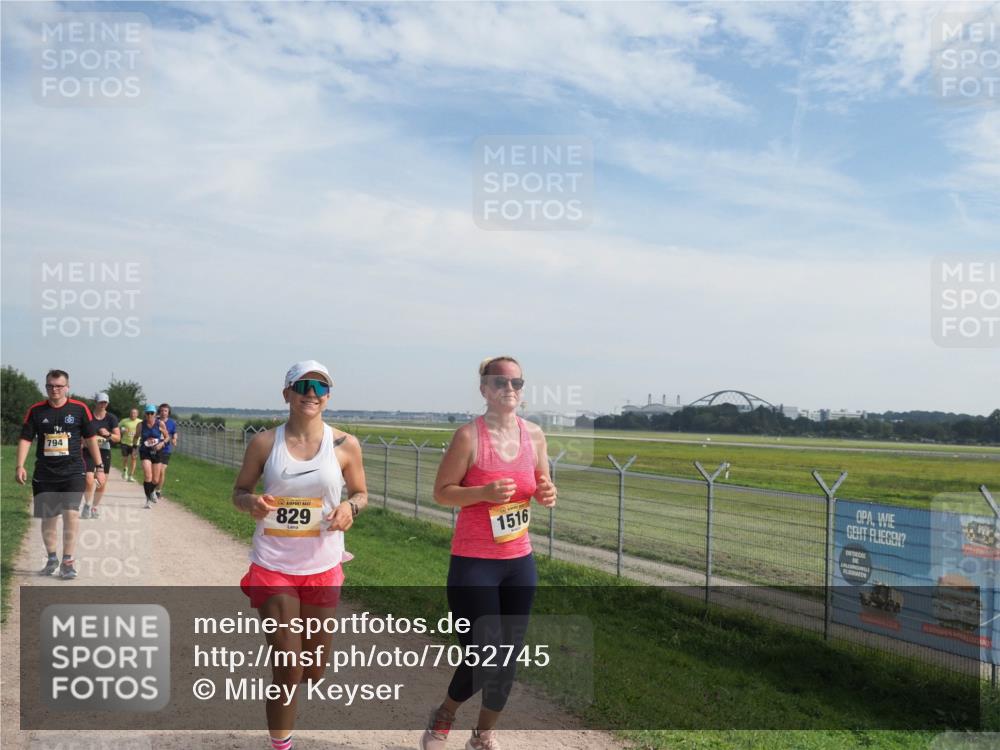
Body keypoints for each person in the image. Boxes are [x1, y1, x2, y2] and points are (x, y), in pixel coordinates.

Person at [421, 356, 557, 750]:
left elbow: (542, 483)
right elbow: (442, 492)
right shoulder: (469, 437)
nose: (509, 389)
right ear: (484, 389)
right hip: (474, 564)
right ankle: (445, 714)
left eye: (516, 383)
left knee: (508, 657)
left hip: (519, 563)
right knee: (484, 655)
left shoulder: (535, 436)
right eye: (499, 382)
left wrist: (547, 493)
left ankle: (482, 736)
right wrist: (482, 492)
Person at [232, 360, 367, 750]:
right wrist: (251, 502)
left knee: (313, 671)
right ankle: (281, 745)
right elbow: (239, 492)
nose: (312, 393)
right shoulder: (264, 444)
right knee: (288, 669)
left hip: (323, 565)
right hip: (273, 564)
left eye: (320, 387)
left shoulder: (345, 444)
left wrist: (350, 508)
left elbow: (361, 493)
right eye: (303, 385)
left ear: (328, 396)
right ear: (286, 393)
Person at [14, 369, 104, 580]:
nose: (54, 390)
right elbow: (26, 438)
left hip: (73, 471)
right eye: (50, 386)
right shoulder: (36, 410)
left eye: (59, 386)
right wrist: (20, 465)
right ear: (46, 387)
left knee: (71, 513)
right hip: (45, 473)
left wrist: (99, 467)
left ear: (67, 387)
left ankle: (68, 561)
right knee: (49, 517)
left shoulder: (79, 409)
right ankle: (52, 558)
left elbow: (91, 438)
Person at [82, 392, 120, 519]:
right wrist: (83, 441)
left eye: (105, 402)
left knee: (101, 482)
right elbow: (79, 432)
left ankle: (94, 507)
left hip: (104, 451)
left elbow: (118, 438)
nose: (103, 404)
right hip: (88, 450)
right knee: (88, 479)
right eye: (100, 402)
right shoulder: (88, 416)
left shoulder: (111, 418)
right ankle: (87, 504)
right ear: (96, 402)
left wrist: (108, 434)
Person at [138, 404, 168, 509]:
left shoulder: (160, 424)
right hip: (145, 451)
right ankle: (147, 500)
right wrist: (134, 449)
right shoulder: (141, 425)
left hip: (157, 452)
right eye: (148, 413)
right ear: (145, 414)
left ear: (155, 414)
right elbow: (136, 437)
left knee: (155, 479)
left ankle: (152, 491)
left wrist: (162, 443)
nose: (149, 415)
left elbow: (167, 437)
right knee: (148, 476)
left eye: (152, 413)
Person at [154, 403, 177, 499]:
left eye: (165, 411)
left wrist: (174, 439)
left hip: (166, 449)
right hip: (155, 448)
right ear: (159, 412)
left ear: (168, 412)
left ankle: (158, 491)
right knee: (155, 471)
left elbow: (174, 432)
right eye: (162, 411)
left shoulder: (172, 423)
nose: (163, 412)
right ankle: (153, 487)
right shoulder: (155, 421)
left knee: (162, 471)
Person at [118, 407, 142, 482]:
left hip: (135, 444)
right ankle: (125, 471)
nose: (133, 414)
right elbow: (117, 427)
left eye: (134, 413)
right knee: (125, 459)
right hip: (125, 443)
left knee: (134, 459)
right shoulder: (124, 421)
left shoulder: (140, 422)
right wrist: (122, 430)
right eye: (131, 413)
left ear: (137, 414)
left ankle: (131, 476)